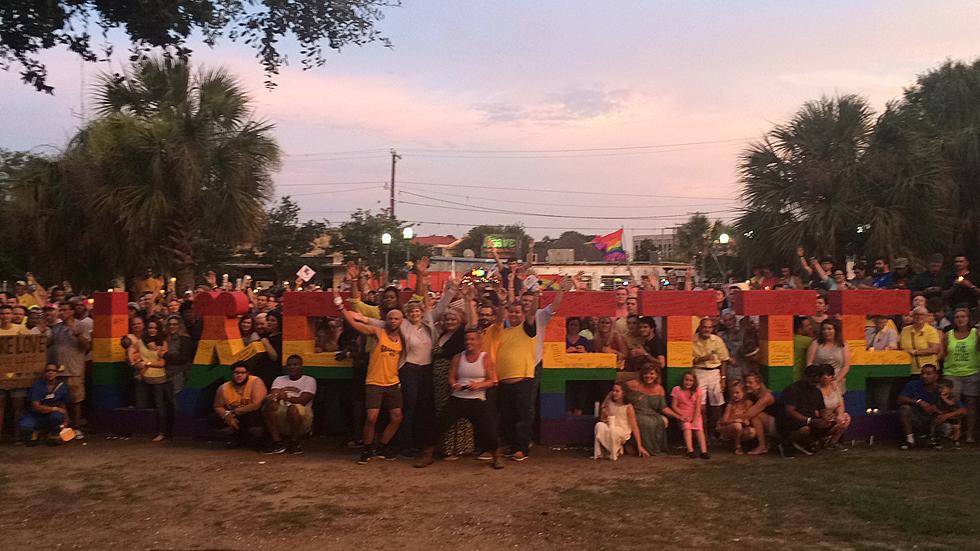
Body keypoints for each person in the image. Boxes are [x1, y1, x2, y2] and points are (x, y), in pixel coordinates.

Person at [414, 328, 504, 469]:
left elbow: (493, 380)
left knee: (488, 428)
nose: (469, 342)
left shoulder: (485, 358)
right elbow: (451, 377)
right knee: (439, 425)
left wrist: (478, 385)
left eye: (472, 339)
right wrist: (455, 385)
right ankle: (427, 455)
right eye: (467, 339)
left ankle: (497, 456)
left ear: (479, 341)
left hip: (477, 399)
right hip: (458, 397)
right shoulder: (458, 357)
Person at [339, 301, 405, 464]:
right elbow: (356, 325)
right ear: (386, 320)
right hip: (374, 381)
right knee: (371, 418)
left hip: (392, 382)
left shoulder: (403, 339)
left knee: (397, 417)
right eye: (390, 318)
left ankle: (381, 447)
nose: (393, 321)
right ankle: (367, 449)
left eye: (397, 318)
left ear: (401, 321)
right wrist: (341, 308)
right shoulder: (378, 332)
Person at [495, 299, 539, 462]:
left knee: (522, 417)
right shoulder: (503, 331)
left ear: (523, 314)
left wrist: (535, 295)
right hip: (503, 382)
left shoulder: (527, 329)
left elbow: (532, 313)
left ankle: (522, 449)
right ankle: (512, 446)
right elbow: (499, 318)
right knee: (507, 417)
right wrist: (501, 303)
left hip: (522, 380)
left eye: (517, 312)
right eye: (511, 312)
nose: (513, 315)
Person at [47, 301, 91, 438]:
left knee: (76, 400)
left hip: (74, 369)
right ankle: (65, 426)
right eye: (60, 310)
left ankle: (77, 427)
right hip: (58, 370)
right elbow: (49, 343)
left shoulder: (81, 325)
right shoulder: (57, 328)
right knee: (60, 400)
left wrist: (77, 334)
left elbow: (86, 346)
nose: (62, 312)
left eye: (65, 309)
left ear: (72, 311)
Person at [263, 355, 316, 455]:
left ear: (301, 366)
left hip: (302, 413)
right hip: (282, 410)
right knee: (269, 405)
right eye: (289, 365)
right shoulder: (279, 379)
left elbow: (303, 400)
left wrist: (285, 397)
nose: (292, 367)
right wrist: (275, 397)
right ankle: (277, 442)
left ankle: (294, 442)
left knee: (293, 408)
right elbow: (274, 396)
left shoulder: (309, 380)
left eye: (295, 364)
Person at [776, 364, 832, 458]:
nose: (815, 380)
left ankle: (807, 443)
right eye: (812, 377)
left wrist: (826, 418)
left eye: (817, 378)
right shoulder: (793, 389)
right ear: (805, 377)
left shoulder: (817, 391)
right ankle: (786, 444)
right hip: (788, 421)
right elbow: (789, 412)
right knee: (804, 429)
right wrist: (809, 421)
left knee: (830, 424)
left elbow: (822, 409)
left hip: (808, 419)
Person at [940, 307, 978, 443]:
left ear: (968, 318)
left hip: (972, 372)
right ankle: (956, 432)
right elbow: (942, 354)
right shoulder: (948, 334)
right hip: (952, 373)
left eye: (963, 316)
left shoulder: (975, 333)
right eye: (957, 317)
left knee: (971, 404)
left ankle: (969, 434)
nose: (960, 319)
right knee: (953, 404)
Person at [132, 318, 171, 441]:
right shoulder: (140, 342)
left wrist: (147, 363)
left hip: (158, 377)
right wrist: (137, 363)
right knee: (141, 403)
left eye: (155, 328)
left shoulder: (162, 343)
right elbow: (132, 356)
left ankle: (162, 431)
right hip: (143, 376)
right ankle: (145, 429)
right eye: (150, 327)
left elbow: (162, 363)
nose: (152, 330)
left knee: (160, 405)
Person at [213, 362, 268, 449]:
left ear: (248, 374)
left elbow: (256, 404)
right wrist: (227, 416)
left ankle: (259, 441)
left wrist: (234, 412)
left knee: (255, 417)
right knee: (213, 419)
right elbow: (218, 406)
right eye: (236, 373)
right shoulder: (223, 388)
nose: (239, 375)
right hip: (234, 415)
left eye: (242, 373)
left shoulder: (255, 381)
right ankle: (236, 437)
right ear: (232, 374)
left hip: (252, 413)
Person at [625, 363, 676, 456]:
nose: (648, 376)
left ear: (656, 375)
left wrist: (678, 416)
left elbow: (663, 407)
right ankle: (639, 447)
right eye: (646, 374)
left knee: (660, 421)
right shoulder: (634, 384)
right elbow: (617, 389)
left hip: (652, 414)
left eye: (652, 374)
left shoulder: (659, 389)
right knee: (644, 422)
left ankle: (652, 449)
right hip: (636, 412)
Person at [691, 317, 730, 435]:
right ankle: (703, 433)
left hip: (714, 372)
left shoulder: (717, 340)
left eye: (709, 327)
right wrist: (703, 358)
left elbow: (724, 359)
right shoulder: (692, 340)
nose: (706, 330)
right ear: (700, 327)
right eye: (704, 327)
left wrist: (723, 378)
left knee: (717, 405)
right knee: (700, 406)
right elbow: (687, 360)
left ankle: (716, 432)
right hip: (699, 371)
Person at [594, 382, 647, 460]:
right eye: (613, 391)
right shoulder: (610, 403)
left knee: (613, 431)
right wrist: (605, 416)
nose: (614, 393)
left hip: (622, 430)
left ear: (623, 393)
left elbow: (634, 426)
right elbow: (604, 416)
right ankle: (599, 453)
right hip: (610, 426)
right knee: (599, 425)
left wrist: (640, 446)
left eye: (617, 391)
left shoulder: (628, 407)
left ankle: (614, 452)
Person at [19, 364, 70, 446]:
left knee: (58, 416)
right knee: (25, 426)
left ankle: (52, 434)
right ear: (44, 373)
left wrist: (66, 421)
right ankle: (36, 433)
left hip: (51, 416)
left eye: (53, 371)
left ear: (57, 373)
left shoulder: (62, 386)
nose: (50, 373)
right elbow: (36, 406)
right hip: (35, 415)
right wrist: (55, 409)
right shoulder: (37, 385)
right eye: (48, 371)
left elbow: (63, 405)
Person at [896, 364, 941, 450]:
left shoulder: (941, 389)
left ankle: (933, 439)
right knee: (904, 409)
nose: (924, 376)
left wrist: (937, 409)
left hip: (935, 418)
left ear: (936, 376)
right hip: (918, 416)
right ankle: (910, 440)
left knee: (939, 415)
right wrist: (919, 402)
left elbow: (959, 408)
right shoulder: (913, 384)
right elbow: (900, 399)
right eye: (922, 374)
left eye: (928, 374)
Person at [671, 371, 709, 459]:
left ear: (694, 382)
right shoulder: (676, 389)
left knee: (699, 428)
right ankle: (690, 450)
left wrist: (695, 419)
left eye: (691, 380)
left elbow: (698, 407)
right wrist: (682, 415)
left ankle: (704, 451)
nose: (688, 382)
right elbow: (674, 406)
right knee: (687, 426)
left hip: (695, 414)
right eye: (686, 380)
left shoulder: (697, 391)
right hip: (682, 414)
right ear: (683, 380)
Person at [806, 319, 851, 392]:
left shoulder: (843, 345)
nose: (826, 331)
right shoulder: (816, 343)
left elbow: (846, 366)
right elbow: (809, 364)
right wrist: (817, 379)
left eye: (829, 329)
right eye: (824, 329)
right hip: (818, 382)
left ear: (836, 330)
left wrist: (836, 380)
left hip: (836, 382)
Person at [741, 372, 778, 455]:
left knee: (756, 416)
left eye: (750, 383)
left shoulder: (766, 396)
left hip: (780, 424)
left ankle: (762, 446)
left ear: (758, 385)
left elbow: (748, 414)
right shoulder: (752, 396)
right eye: (746, 382)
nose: (747, 385)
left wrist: (727, 419)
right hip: (771, 421)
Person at [717, 381, 757, 454]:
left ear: (744, 393)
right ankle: (737, 446)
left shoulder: (748, 403)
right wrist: (735, 420)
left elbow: (750, 416)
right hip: (728, 427)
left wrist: (746, 421)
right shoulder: (730, 405)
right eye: (733, 393)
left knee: (752, 432)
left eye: (737, 393)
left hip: (741, 428)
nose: (734, 395)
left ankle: (734, 442)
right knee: (737, 426)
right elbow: (724, 421)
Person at [816, 364, 850, 450]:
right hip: (820, 416)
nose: (825, 377)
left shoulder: (835, 387)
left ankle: (833, 442)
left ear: (832, 377)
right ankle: (819, 440)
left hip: (832, 415)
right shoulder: (816, 389)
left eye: (828, 375)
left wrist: (840, 415)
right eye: (823, 375)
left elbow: (840, 403)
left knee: (845, 418)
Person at [900, 306, 942, 375]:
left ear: (926, 316)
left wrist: (915, 352)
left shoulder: (931, 331)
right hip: (907, 369)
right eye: (916, 314)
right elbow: (900, 347)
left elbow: (934, 349)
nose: (918, 316)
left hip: (927, 371)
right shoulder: (905, 330)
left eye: (921, 314)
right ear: (912, 316)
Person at [933, 379, 967, 448]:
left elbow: (952, 404)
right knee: (937, 425)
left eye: (942, 388)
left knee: (956, 427)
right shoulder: (937, 397)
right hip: (941, 416)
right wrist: (938, 411)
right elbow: (934, 406)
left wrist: (943, 398)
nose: (940, 390)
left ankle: (955, 440)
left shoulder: (953, 397)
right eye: (939, 388)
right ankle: (936, 441)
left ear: (950, 389)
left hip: (952, 416)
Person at [792, 316, 814, 382]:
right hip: (799, 377)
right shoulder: (807, 341)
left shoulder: (787, 340)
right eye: (808, 326)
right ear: (799, 329)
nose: (811, 327)